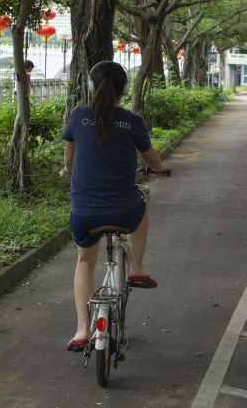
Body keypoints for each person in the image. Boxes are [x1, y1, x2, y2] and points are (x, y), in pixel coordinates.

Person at [61, 61, 170, 352]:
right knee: (142, 198)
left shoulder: (78, 117)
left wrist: (69, 172)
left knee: (85, 262)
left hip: (84, 213)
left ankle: (83, 330)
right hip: (124, 210)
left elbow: (68, 161)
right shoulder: (132, 121)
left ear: (90, 87)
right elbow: (153, 161)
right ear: (123, 89)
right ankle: (135, 267)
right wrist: (163, 170)